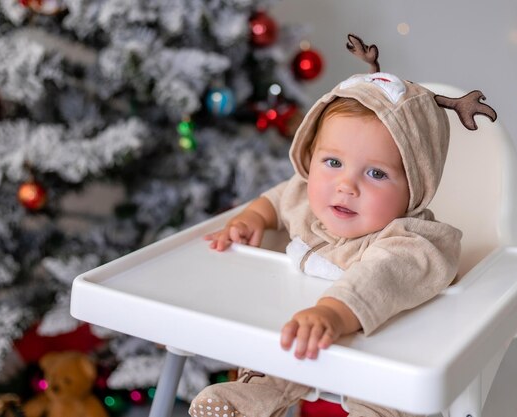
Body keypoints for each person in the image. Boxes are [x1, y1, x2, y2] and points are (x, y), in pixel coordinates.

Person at [189, 53, 495, 416]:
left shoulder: (416, 242)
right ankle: (244, 401)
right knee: (275, 355)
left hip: (385, 353)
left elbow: (377, 277)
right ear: (310, 155)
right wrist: (253, 218)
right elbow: (278, 198)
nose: (346, 186)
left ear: (416, 185)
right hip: (311, 336)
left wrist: (333, 312)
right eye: (333, 163)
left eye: (377, 174)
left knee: (385, 398)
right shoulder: (306, 199)